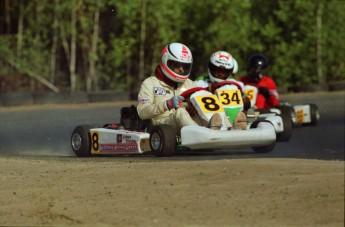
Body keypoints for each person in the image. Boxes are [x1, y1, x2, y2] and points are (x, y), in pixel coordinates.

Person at [137, 42, 222, 132]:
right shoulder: (150, 83)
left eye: (185, 66)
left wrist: (192, 106)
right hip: (162, 126)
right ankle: (203, 135)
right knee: (180, 111)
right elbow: (142, 112)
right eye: (177, 65)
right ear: (165, 61)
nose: (181, 69)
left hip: (186, 123)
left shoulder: (190, 84)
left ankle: (226, 129)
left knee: (208, 111)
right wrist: (166, 104)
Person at [195, 50, 249, 129]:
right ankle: (216, 124)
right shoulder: (200, 82)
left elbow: (247, 100)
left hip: (230, 118)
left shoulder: (234, 84)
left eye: (224, 72)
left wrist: (245, 100)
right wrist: (208, 90)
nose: (220, 74)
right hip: (209, 119)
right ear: (211, 67)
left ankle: (237, 124)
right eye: (218, 70)